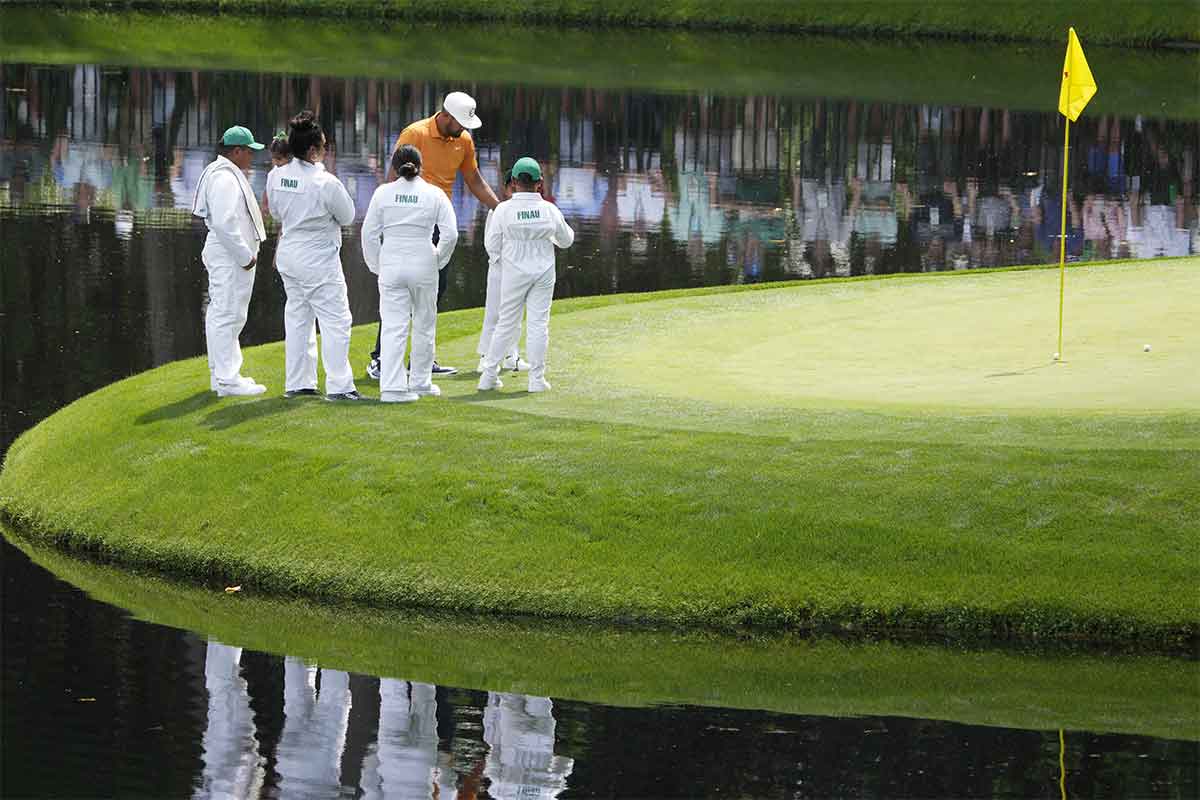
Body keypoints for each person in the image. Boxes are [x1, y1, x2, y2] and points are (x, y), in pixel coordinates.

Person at [365, 91, 500, 380]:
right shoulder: (415, 133)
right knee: (395, 291)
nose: (464, 128)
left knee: (434, 290)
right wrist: (387, 215)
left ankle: (421, 359)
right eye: (460, 122)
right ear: (446, 115)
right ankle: (380, 358)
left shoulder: (463, 139)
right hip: (408, 220)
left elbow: (474, 179)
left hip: (441, 219)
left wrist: (500, 210)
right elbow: (393, 177)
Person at [266, 110, 363, 401]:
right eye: (323, 145)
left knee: (298, 316)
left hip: (290, 253)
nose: (325, 149)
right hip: (317, 258)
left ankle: (299, 382)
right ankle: (340, 386)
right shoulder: (326, 183)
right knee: (336, 319)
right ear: (312, 150)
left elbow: (275, 212)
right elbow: (347, 216)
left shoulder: (277, 175)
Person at [361, 145, 458, 403]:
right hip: (423, 261)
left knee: (393, 326)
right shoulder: (434, 194)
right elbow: (451, 233)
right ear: (420, 166)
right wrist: (438, 259)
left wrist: (376, 264)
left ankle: (392, 387)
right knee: (425, 323)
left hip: (391, 261)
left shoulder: (383, 193)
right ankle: (420, 381)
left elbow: (368, 233)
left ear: (394, 168)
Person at [478, 157, 574, 393]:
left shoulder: (503, 210)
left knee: (506, 324)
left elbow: (492, 244)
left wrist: (506, 259)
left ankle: (489, 375)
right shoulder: (549, 210)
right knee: (538, 325)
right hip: (542, 271)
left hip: (514, 272)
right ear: (540, 182)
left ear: (513, 182)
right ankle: (536, 379)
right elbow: (566, 240)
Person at [191, 124, 267, 397]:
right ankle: (226, 379)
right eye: (249, 152)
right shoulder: (224, 177)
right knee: (227, 313)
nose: (252, 157)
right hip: (229, 254)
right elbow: (224, 223)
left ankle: (225, 375)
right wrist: (245, 256)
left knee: (228, 313)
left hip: (227, 253)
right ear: (237, 151)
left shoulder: (224, 172)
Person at [477, 169, 528, 372]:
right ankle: (485, 357)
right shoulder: (497, 210)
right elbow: (491, 243)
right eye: (511, 187)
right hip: (499, 270)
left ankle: (511, 356)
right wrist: (504, 262)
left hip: (519, 271)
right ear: (507, 188)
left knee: (515, 315)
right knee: (494, 314)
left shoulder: (526, 210)